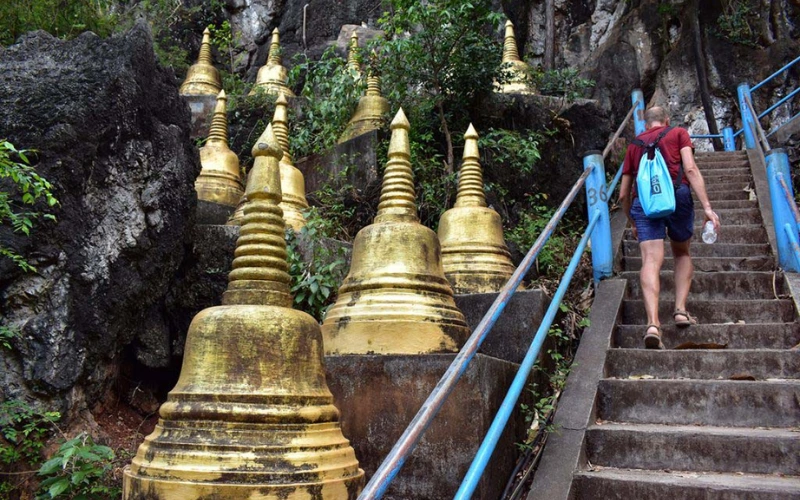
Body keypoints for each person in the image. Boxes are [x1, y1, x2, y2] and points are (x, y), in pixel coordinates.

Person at [618, 106, 720, 349]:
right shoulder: (678, 133)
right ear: (666, 120)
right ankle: (680, 311)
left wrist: (632, 221)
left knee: (651, 261)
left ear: (645, 124)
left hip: (645, 205)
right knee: (682, 252)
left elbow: (623, 194)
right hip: (678, 198)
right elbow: (691, 169)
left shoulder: (635, 144)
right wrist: (707, 207)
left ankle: (653, 324)